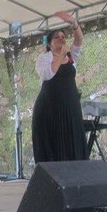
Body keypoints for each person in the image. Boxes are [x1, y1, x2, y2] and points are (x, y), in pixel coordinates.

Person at [31, 11, 87, 163]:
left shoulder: (71, 57)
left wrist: (73, 22)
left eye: (63, 36)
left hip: (70, 105)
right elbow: (48, 74)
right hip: (49, 107)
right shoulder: (43, 58)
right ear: (49, 44)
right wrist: (61, 55)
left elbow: (79, 39)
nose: (61, 39)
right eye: (57, 37)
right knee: (52, 142)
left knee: (71, 141)